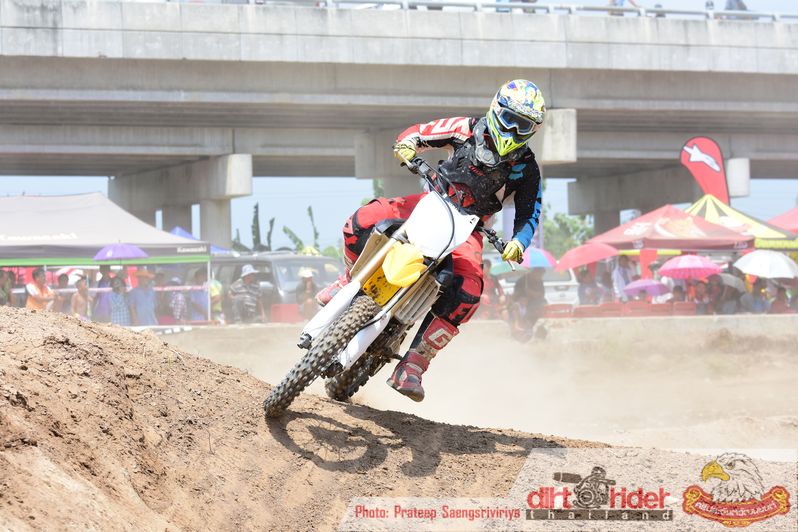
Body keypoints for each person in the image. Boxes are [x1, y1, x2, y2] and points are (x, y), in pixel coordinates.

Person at [314, 80, 545, 402]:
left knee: (469, 292)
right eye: (510, 120)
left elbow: (530, 212)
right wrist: (408, 145)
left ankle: (414, 364)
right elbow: (419, 132)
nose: (515, 130)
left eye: (524, 126)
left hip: (470, 228)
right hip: (430, 203)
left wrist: (518, 242)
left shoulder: (526, 168)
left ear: (534, 130)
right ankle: (347, 280)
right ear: (496, 110)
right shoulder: (465, 128)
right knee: (361, 220)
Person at [509, 267, 546, 342]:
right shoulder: (522, 281)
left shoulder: (539, 281)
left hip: (535, 303)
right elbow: (516, 294)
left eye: (541, 275)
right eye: (539, 274)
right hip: (523, 303)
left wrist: (533, 293)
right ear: (534, 272)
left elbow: (541, 294)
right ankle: (523, 331)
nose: (540, 276)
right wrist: (525, 294)